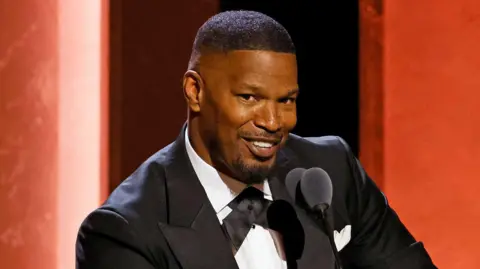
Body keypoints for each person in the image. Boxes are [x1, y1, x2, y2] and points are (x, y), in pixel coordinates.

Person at [76, 10, 436, 269]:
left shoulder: (330, 172)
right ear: (195, 91)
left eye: (287, 101)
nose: (272, 122)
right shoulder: (124, 231)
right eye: (249, 98)